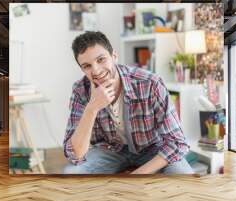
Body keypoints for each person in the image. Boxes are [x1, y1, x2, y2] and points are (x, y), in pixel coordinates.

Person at [63, 31, 193, 174]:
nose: (96, 70)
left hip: (153, 149)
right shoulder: (80, 90)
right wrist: (92, 107)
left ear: (114, 56)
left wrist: (136, 175)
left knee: (183, 176)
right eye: (87, 66)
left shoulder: (150, 83)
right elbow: (75, 154)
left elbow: (177, 143)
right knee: (72, 174)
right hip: (109, 150)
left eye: (101, 60)